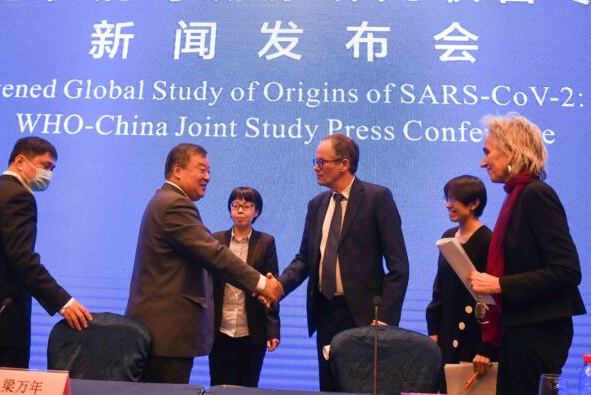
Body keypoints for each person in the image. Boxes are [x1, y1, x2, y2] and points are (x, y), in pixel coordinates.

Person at [125, 143, 283, 384]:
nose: (208, 176)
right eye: (202, 169)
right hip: (165, 337)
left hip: (165, 335)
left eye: (209, 170)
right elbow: (214, 255)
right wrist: (262, 284)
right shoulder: (174, 205)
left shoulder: (166, 200)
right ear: (178, 171)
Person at [0, 137, 92, 372]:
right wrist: (63, 302)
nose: (48, 174)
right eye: (45, 165)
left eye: (52, 169)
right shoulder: (19, 197)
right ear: (20, 161)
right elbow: (22, 260)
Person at [278, 134, 410, 391]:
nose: (316, 167)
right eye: (315, 161)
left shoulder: (377, 198)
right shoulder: (316, 205)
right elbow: (305, 258)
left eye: (321, 162)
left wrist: (384, 319)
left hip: (364, 317)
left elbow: (398, 266)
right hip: (325, 313)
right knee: (329, 386)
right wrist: (280, 286)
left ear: (344, 164)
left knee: (360, 388)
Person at [468, 114, 586, 395]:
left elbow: (567, 271)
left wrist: (499, 284)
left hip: (539, 331)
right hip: (519, 328)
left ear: (511, 151)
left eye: (487, 152)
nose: (483, 162)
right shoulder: (517, 196)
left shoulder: (536, 195)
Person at [426, 175, 493, 392]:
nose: (448, 205)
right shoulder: (448, 237)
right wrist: (433, 330)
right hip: (446, 335)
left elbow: (492, 301)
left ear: (474, 203)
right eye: (447, 198)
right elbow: (440, 290)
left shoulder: (488, 240)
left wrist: (487, 347)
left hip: (475, 339)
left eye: (453, 199)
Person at [209, 187, 280, 387]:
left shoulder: (266, 242)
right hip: (220, 330)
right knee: (219, 386)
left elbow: (271, 287)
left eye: (247, 206)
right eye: (236, 205)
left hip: (252, 330)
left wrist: (273, 329)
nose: (240, 210)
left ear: (256, 211)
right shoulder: (216, 240)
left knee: (248, 386)